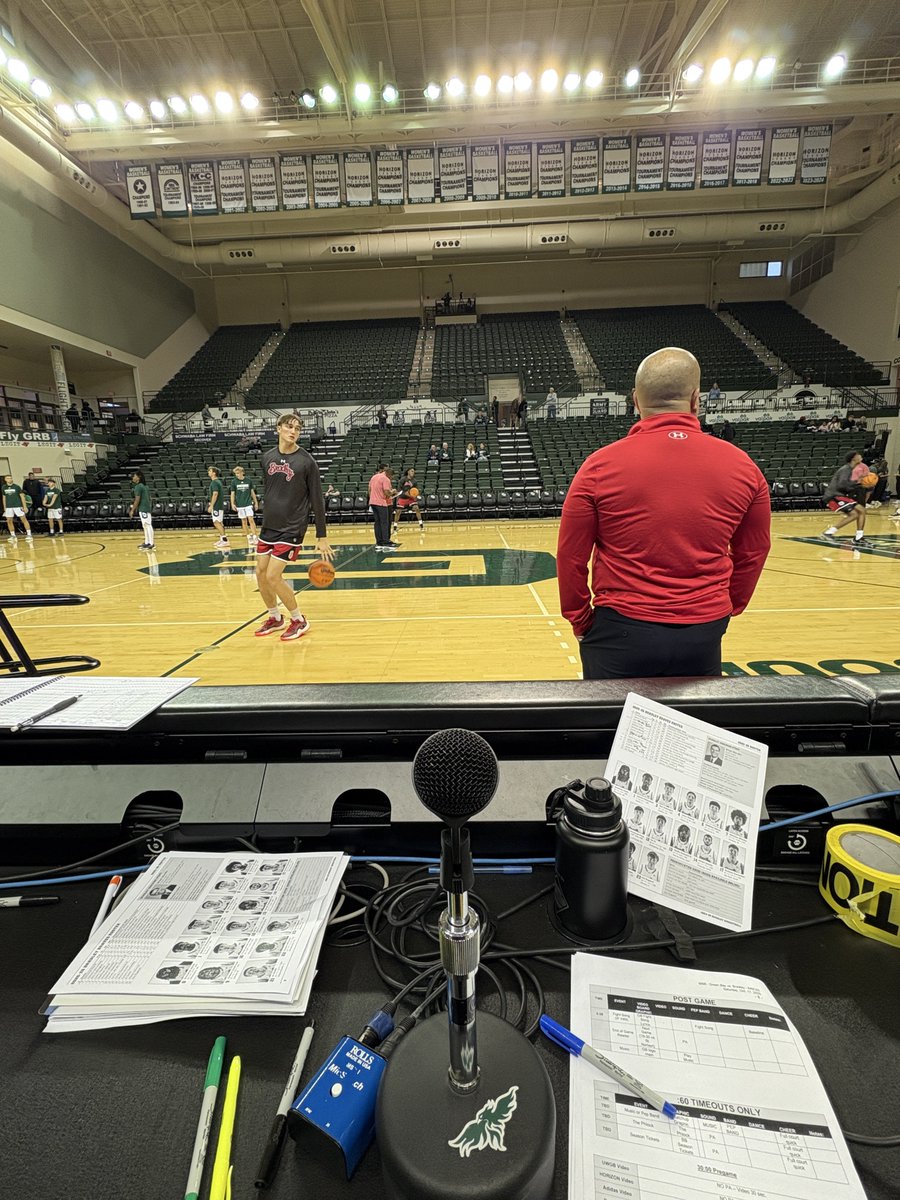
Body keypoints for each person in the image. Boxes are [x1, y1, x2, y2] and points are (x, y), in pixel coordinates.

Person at [557, 347, 771, 679]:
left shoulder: (598, 467)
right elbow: (754, 551)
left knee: (611, 729)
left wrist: (579, 618)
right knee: (692, 728)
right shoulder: (744, 467)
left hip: (621, 628)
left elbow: (571, 555)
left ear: (636, 401)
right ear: (697, 399)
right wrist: (727, 606)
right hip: (705, 627)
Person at [254, 412, 334, 641]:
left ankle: (299, 619)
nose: (293, 431)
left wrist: (321, 535)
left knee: (272, 576)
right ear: (278, 428)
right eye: (289, 427)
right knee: (260, 573)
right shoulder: (267, 458)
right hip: (269, 526)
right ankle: (274, 617)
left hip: (292, 527)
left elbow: (317, 499)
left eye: (297, 428)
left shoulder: (306, 462)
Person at [822, 451, 870, 546]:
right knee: (855, 514)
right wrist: (858, 483)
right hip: (834, 496)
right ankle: (828, 533)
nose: (860, 456)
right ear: (853, 458)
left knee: (861, 511)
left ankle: (859, 537)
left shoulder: (852, 469)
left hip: (840, 495)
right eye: (858, 455)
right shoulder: (846, 469)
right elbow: (842, 485)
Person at [369, 462, 397, 551]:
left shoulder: (374, 476)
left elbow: (369, 489)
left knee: (377, 522)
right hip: (381, 503)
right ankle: (386, 542)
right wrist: (393, 492)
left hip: (373, 502)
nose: (391, 478)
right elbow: (387, 493)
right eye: (392, 477)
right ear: (389, 474)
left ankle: (379, 542)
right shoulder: (385, 479)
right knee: (384, 522)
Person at [230, 465, 259, 544]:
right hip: (239, 505)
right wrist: (232, 504)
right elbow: (232, 494)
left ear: (242, 472)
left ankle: (255, 536)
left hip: (248, 503)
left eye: (238, 473)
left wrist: (256, 502)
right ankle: (248, 537)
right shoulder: (234, 482)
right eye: (236, 473)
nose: (237, 475)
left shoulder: (248, 480)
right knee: (244, 521)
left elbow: (252, 492)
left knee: (251, 520)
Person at [393, 467, 425, 535]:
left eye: (413, 471)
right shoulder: (403, 479)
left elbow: (416, 490)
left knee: (417, 508)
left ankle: (421, 525)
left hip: (411, 498)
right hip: (403, 497)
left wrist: (415, 495)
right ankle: (395, 527)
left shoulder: (414, 481)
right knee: (398, 511)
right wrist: (405, 493)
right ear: (408, 472)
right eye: (412, 471)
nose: (413, 472)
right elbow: (399, 490)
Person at [2, 475, 33, 542]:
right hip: (8, 507)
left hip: (17, 505)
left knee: (23, 519)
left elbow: (22, 497)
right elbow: (4, 498)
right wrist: (4, 507)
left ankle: (29, 534)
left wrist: (24, 507)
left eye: (11, 478)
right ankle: (13, 535)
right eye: (8, 478)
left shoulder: (17, 487)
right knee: (9, 521)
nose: (10, 479)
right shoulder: (3, 487)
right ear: (5, 479)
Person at [129, 470, 154, 550]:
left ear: (138, 477)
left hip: (143, 508)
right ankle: (147, 542)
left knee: (147, 525)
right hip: (146, 508)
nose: (133, 477)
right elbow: (150, 498)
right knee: (145, 526)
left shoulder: (138, 487)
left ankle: (151, 543)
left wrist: (132, 510)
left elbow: (137, 500)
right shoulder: (146, 487)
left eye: (134, 476)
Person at [206, 467, 229, 549]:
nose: (208, 472)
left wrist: (211, 505)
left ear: (214, 473)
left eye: (210, 471)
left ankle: (225, 540)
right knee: (220, 522)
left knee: (216, 522)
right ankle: (222, 539)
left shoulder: (214, 482)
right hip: (219, 505)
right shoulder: (217, 482)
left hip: (216, 506)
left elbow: (215, 494)